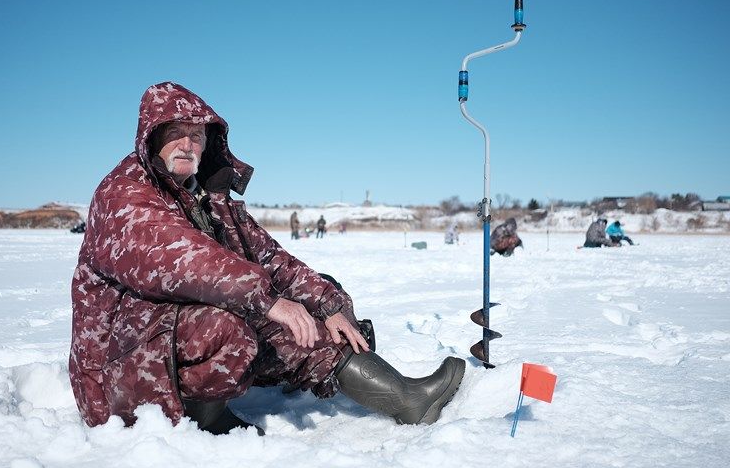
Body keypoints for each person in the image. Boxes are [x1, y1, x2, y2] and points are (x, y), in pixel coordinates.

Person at [69, 82, 466, 436]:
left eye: (196, 135)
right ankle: (201, 421)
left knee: (307, 308)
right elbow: (184, 260)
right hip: (117, 376)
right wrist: (270, 302)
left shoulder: (211, 201)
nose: (188, 144)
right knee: (230, 321)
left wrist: (327, 304)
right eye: (176, 133)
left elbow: (273, 259)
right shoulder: (124, 193)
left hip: (172, 340)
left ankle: (407, 399)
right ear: (152, 137)